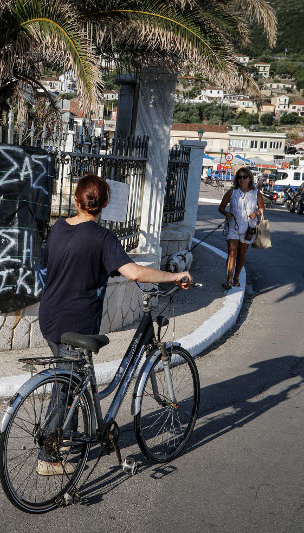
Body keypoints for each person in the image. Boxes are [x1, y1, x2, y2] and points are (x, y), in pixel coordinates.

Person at [35, 174, 192, 476]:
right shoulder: (102, 237)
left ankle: (67, 438)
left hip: (49, 315)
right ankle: (48, 456)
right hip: (76, 323)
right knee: (64, 390)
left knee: (68, 382)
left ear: (76, 199)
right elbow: (133, 272)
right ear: (105, 203)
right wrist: (174, 276)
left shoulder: (58, 228)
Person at [218, 167, 264, 290]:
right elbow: (221, 208)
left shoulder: (256, 193)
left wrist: (256, 213)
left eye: (244, 177)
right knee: (232, 252)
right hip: (233, 225)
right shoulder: (232, 192)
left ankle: (236, 278)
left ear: (250, 178)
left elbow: (262, 208)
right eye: (239, 177)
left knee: (242, 253)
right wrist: (227, 214)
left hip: (249, 227)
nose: (242, 179)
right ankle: (228, 280)